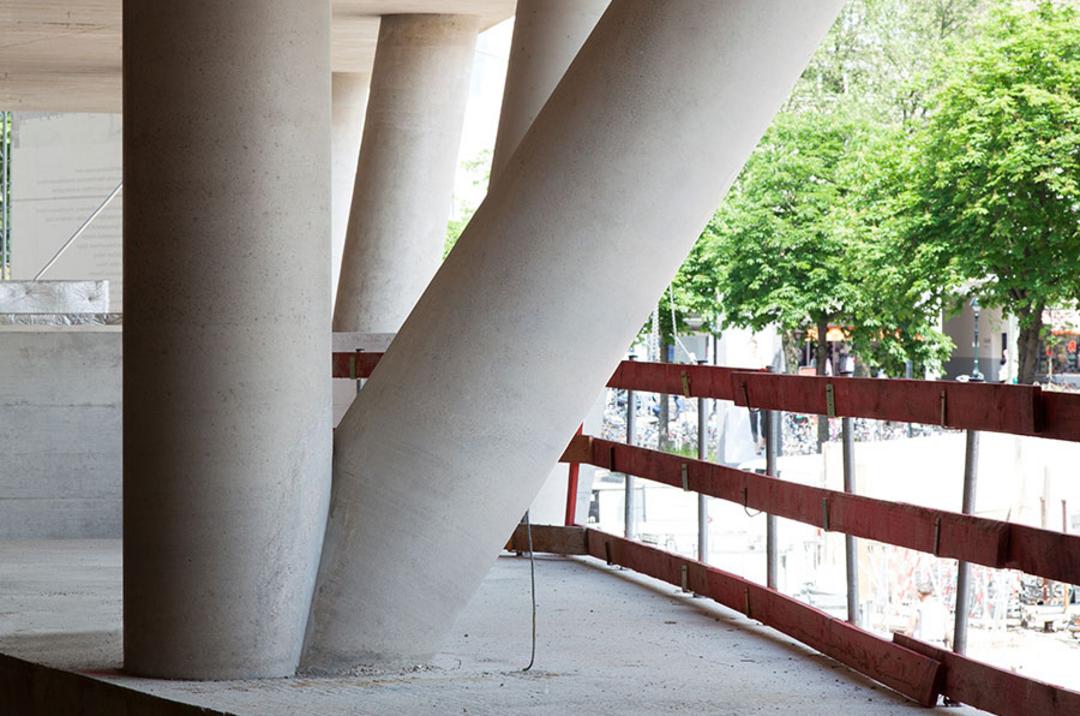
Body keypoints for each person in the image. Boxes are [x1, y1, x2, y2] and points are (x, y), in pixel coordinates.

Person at [907, 577, 949, 648]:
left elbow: (909, 631)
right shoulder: (943, 609)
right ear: (931, 593)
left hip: (922, 646)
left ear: (919, 594)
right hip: (939, 645)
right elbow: (948, 631)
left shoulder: (918, 609)